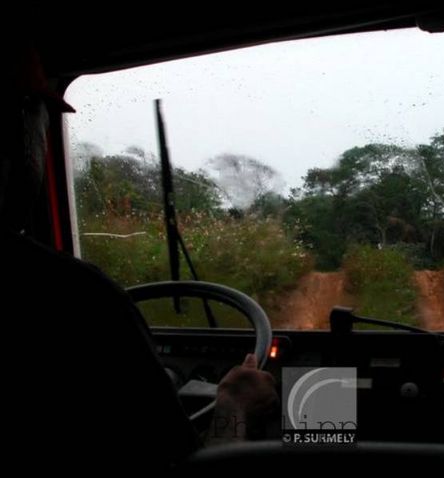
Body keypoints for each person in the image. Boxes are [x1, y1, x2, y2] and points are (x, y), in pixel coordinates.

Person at [1, 45, 278, 472]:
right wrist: (235, 406)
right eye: (41, 117)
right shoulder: (75, 300)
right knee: (324, 427)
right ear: (20, 124)